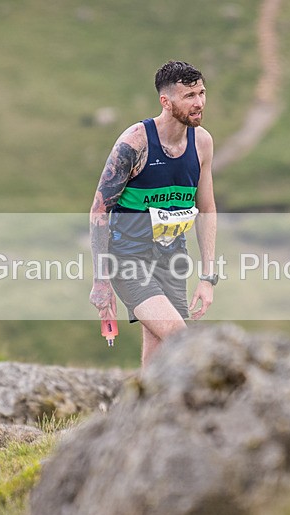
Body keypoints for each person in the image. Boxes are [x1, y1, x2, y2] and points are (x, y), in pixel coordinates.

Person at [89, 60, 217, 368]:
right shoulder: (135, 143)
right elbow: (99, 211)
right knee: (179, 338)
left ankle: (142, 415)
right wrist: (101, 281)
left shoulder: (202, 142)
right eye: (189, 96)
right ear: (166, 101)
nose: (199, 103)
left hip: (172, 257)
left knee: (159, 351)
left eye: (201, 93)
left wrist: (208, 277)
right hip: (128, 260)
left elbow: (207, 209)